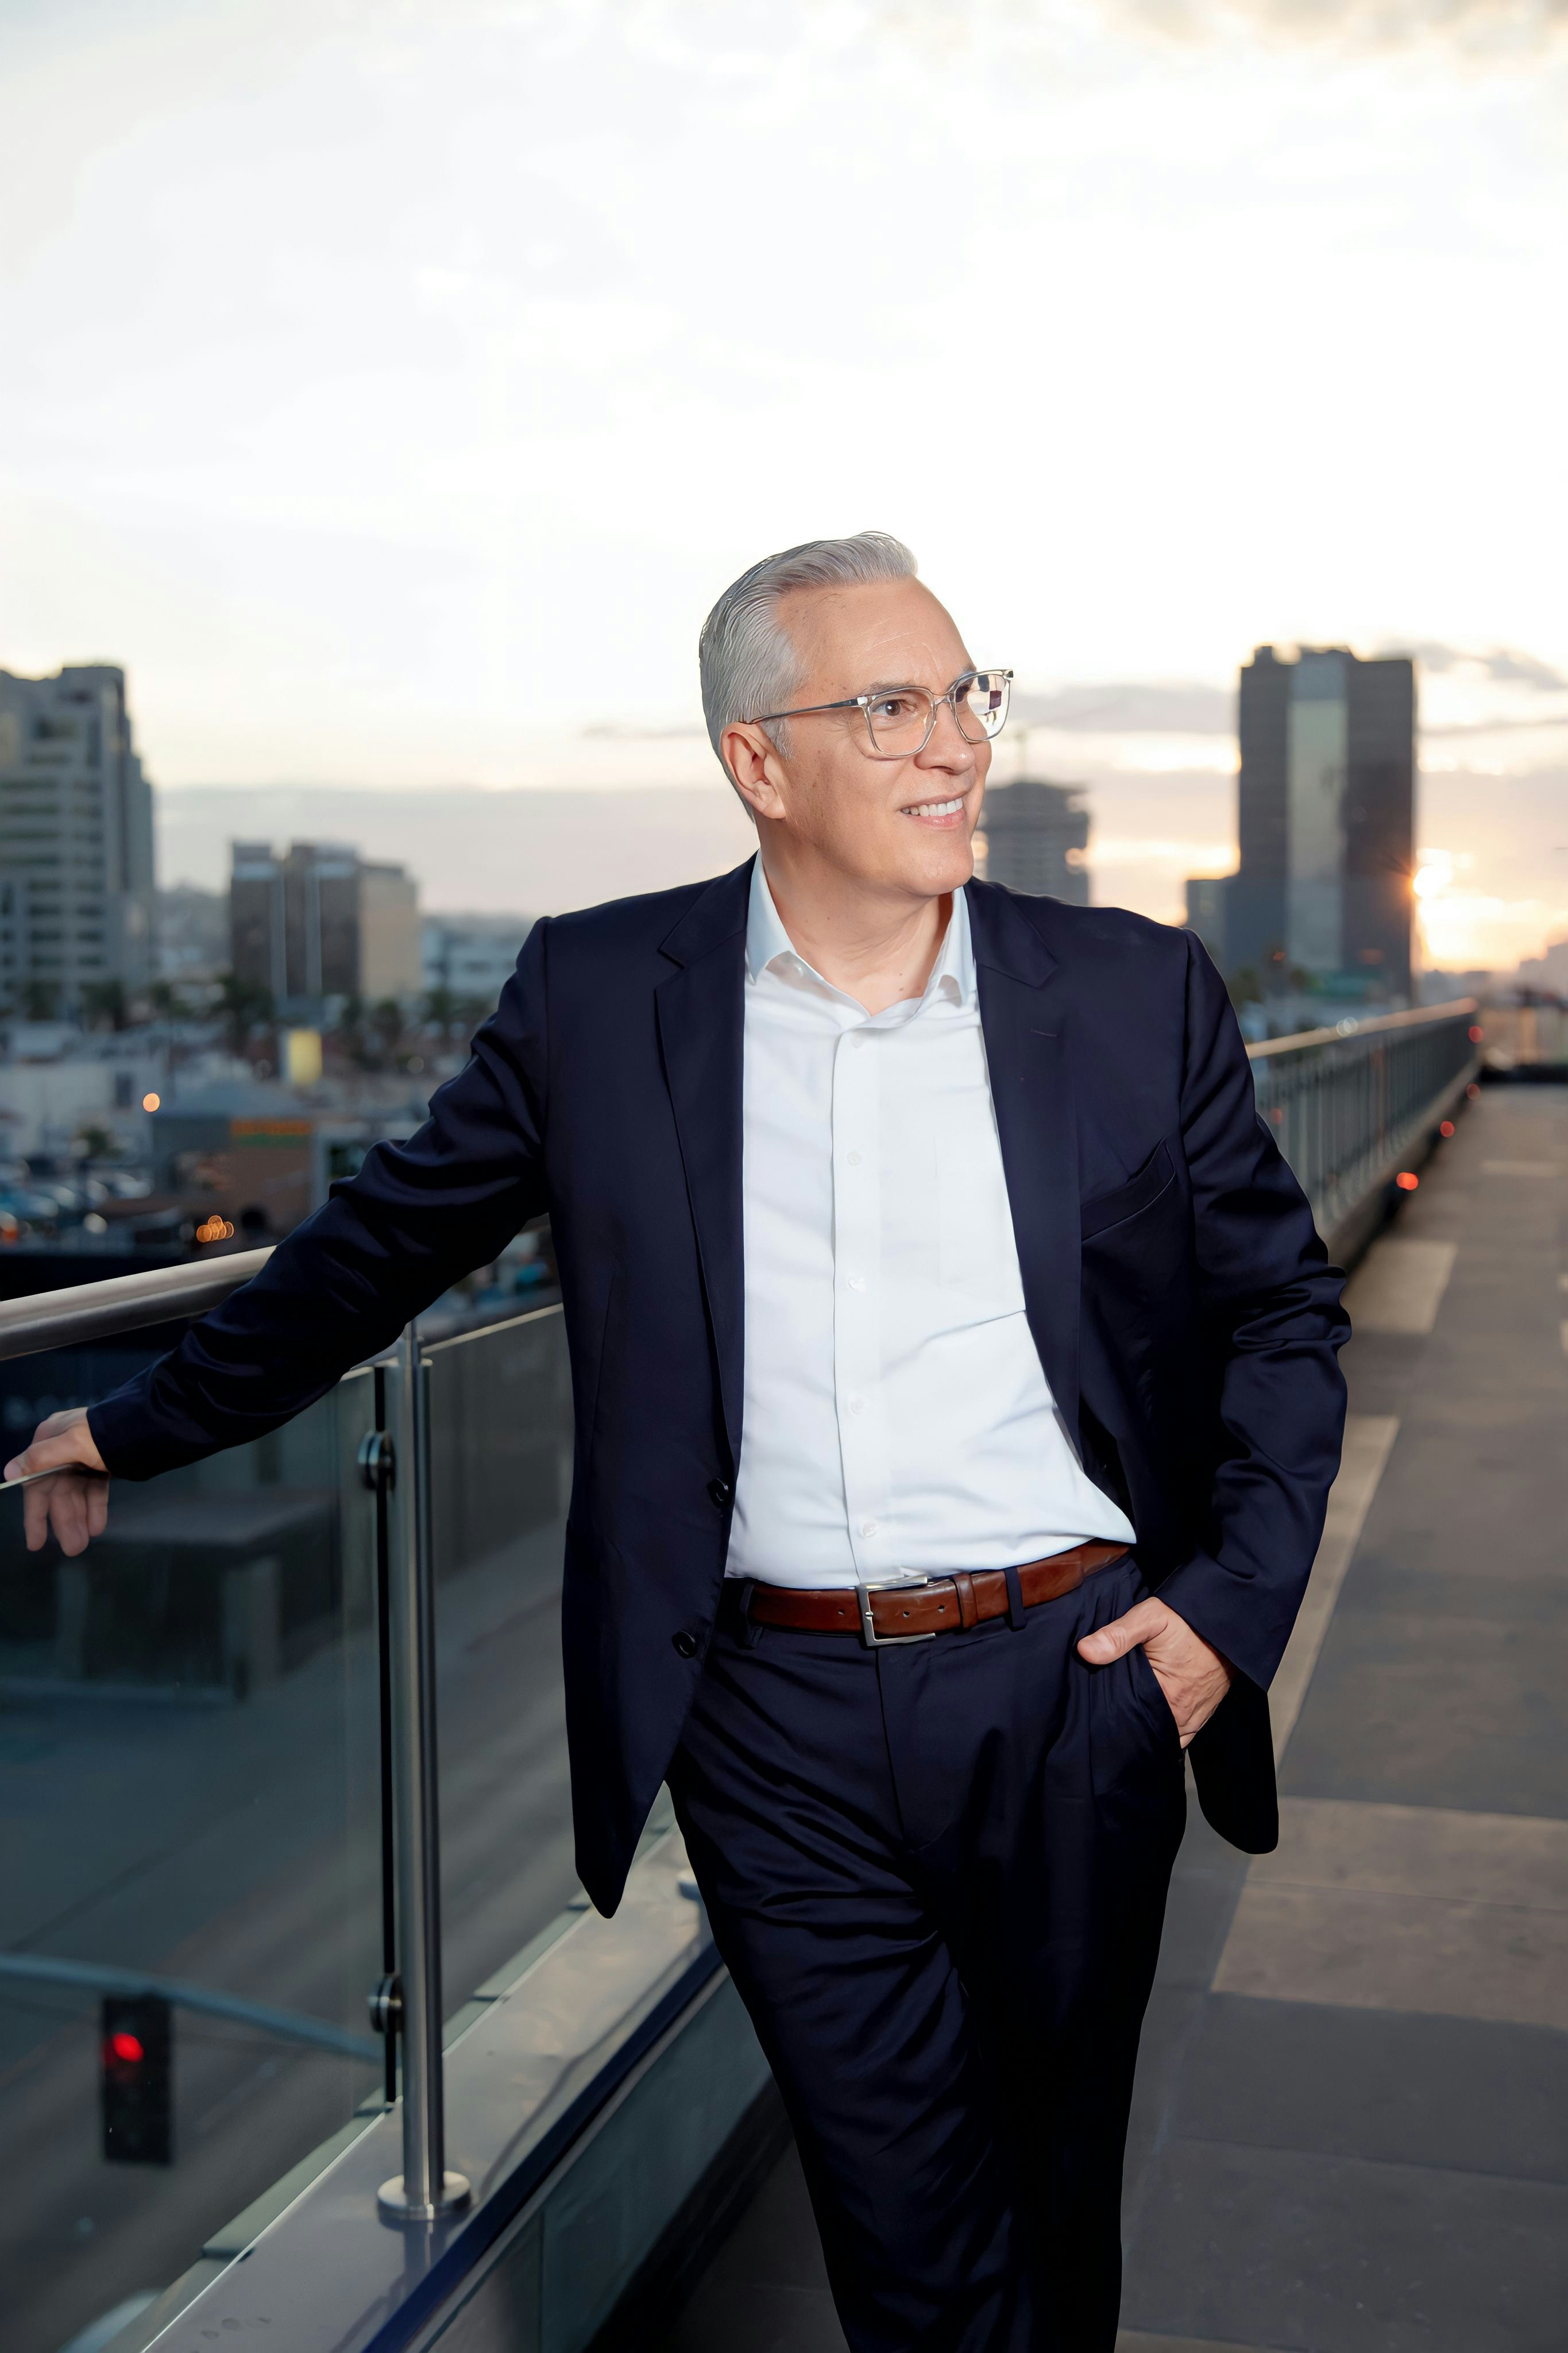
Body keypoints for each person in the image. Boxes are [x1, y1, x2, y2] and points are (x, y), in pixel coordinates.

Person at [10, 533, 1348, 2351]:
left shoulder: (1128, 991)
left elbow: (1276, 1314)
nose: (954, 743)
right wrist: (132, 1426)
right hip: (769, 1726)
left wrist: (1213, 1625)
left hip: (1077, 1681)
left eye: (966, 693)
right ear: (758, 762)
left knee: (1049, 2212)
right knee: (906, 2246)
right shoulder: (597, 999)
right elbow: (373, 1254)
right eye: (889, 705)